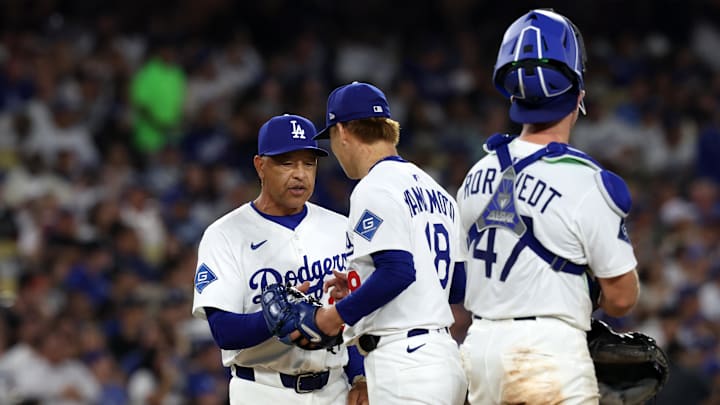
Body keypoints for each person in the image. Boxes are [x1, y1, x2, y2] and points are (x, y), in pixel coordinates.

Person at [455, 9, 640, 404]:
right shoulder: (586, 180)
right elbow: (623, 298)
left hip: (479, 349)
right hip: (544, 353)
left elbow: (459, 279)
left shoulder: (476, 172)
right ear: (580, 95)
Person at [191, 114, 368, 405]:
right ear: (260, 166)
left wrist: (359, 377)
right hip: (264, 389)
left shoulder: (340, 227)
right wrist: (279, 319)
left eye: (308, 163)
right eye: (287, 163)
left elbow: (350, 319)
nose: (300, 174)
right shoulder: (225, 234)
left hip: (335, 388)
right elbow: (223, 331)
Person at [311, 82, 468, 404]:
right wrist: (361, 287)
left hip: (404, 361)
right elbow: (456, 286)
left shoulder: (375, 187)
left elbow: (397, 272)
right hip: (443, 358)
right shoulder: (437, 191)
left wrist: (336, 314)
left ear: (342, 131)